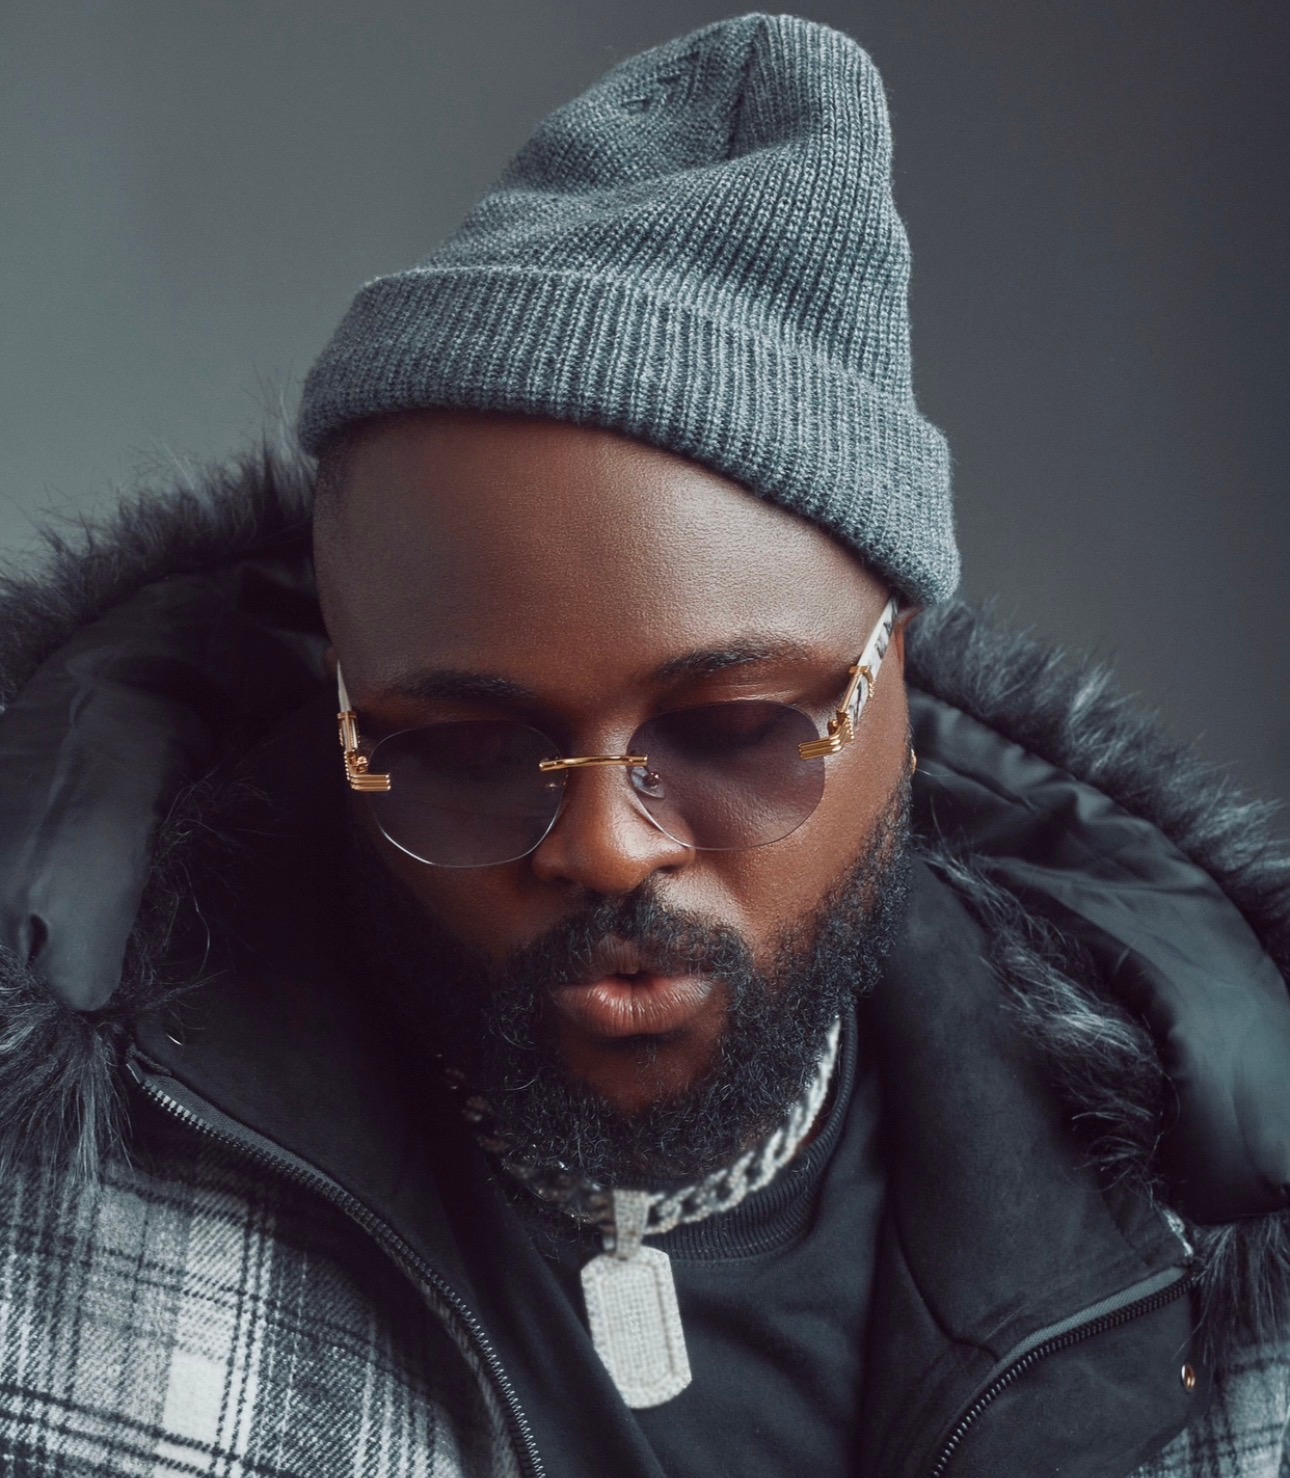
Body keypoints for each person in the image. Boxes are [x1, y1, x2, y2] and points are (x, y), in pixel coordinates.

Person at [0, 14, 1286, 1476]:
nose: (607, 845)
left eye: (735, 730)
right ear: (345, 709)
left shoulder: (1225, 1229)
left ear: (900, 684)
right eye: (466, 746)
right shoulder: (46, 1209)